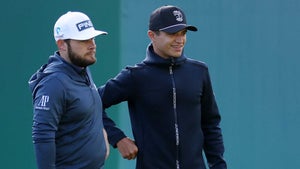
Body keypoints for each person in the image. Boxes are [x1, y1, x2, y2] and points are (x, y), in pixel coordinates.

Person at [99, 5, 227, 169]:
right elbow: (91, 103)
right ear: (152, 35)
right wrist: (117, 138)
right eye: (173, 34)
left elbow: (210, 125)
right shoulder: (135, 76)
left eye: (183, 33)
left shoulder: (199, 72)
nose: (180, 40)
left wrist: (218, 165)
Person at [28, 11, 109, 169]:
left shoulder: (81, 67)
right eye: (84, 40)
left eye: (92, 38)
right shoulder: (54, 82)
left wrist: (103, 137)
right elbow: (43, 135)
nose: (92, 44)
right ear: (62, 44)